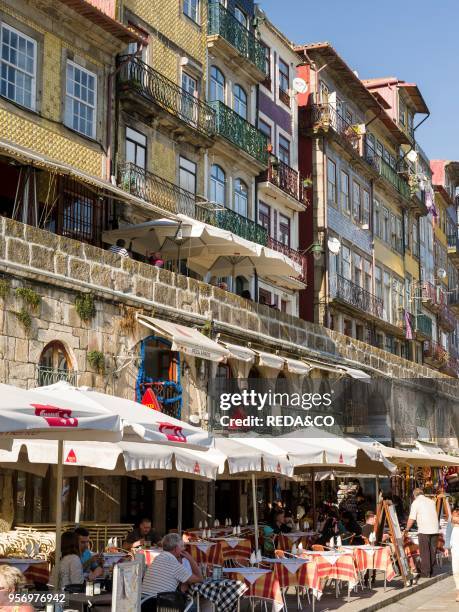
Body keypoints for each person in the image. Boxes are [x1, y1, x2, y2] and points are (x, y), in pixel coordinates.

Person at [142, 532, 202, 597]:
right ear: (176, 549)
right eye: (182, 546)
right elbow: (199, 578)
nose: (184, 549)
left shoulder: (159, 557)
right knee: (194, 604)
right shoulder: (173, 563)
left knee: (183, 588)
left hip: (144, 602)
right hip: (159, 604)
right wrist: (191, 559)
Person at [404, 488, 439, 578]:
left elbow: (411, 518)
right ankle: (430, 570)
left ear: (414, 495)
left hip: (424, 529)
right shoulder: (431, 501)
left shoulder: (416, 503)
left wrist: (407, 529)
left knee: (425, 552)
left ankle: (425, 572)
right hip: (435, 529)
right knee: (432, 550)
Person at [445, 505, 459, 602]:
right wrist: (446, 548)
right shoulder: (450, 523)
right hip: (455, 549)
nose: (455, 517)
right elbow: (448, 535)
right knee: (456, 571)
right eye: (454, 515)